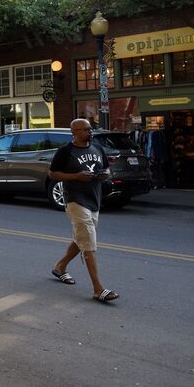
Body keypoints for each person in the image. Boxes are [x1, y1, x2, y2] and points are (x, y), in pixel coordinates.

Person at [48, 118, 119, 303]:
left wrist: (105, 175)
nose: (90, 132)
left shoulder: (97, 148)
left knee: (82, 238)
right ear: (75, 132)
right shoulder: (65, 151)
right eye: (86, 129)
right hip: (75, 200)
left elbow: (107, 169)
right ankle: (98, 289)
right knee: (88, 242)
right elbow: (53, 173)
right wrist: (76, 177)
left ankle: (60, 266)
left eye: (90, 129)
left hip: (94, 199)